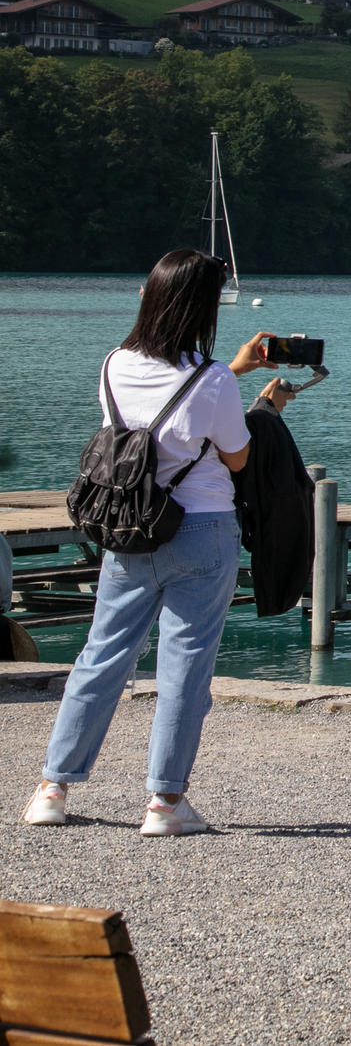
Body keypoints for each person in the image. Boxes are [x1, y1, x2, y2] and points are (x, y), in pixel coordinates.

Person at [23, 249, 293, 835]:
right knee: (184, 665)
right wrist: (263, 404)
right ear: (202, 307)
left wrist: (231, 372)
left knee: (101, 656)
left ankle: (52, 788)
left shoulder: (114, 363)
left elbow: (149, 424)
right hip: (200, 528)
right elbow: (237, 454)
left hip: (130, 527)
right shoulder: (213, 378)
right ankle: (165, 804)